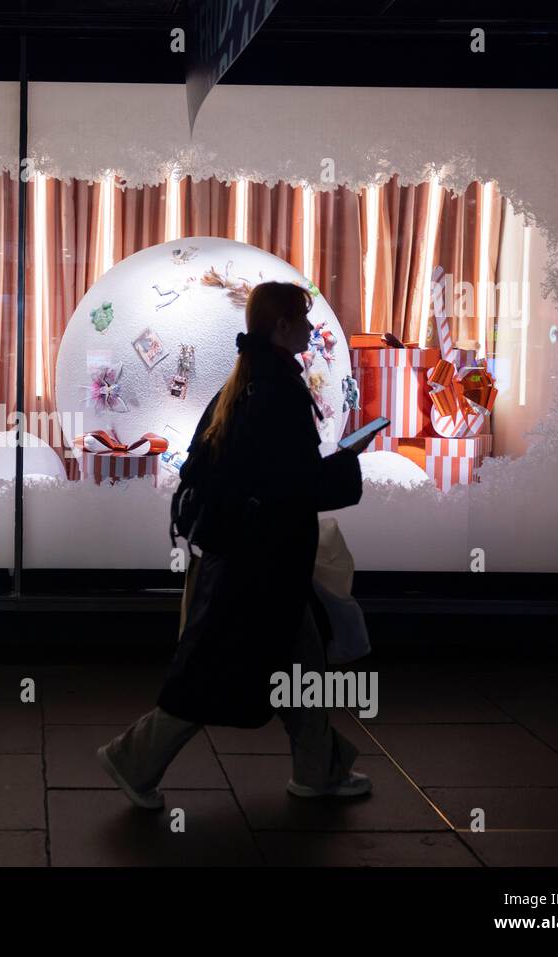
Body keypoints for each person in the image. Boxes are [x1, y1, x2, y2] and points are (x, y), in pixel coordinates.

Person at [97, 281, 376, 808]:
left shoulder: (245, 382)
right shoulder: (279, 389)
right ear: (282, 327)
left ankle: (319, 771)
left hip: (251, 560)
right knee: (218, 672)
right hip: (263, 565)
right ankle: (132, 759)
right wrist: (347, 464)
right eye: (303, 320)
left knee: (293, 668)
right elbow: (292, 482)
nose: (312, 330)